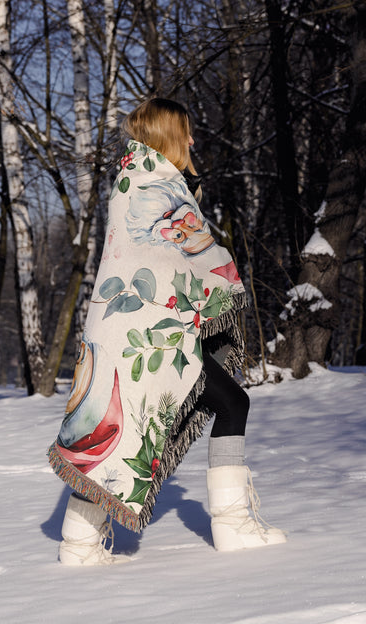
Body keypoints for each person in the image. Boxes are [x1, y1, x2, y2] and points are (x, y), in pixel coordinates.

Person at [48, 97, 286, 565]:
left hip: (122, 333)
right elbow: (195, 254)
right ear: (166, 135)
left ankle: (78, 545)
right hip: (148, 336)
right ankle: (233, 524)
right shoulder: (157, 185)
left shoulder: (131, 180)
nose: (194, 140)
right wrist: (225, 272)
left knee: (122, 433)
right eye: (187, 132)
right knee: (232, 402)